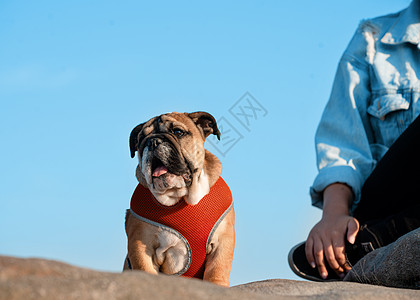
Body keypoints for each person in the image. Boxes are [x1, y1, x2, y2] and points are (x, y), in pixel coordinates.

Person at [288, 0, 420, 282]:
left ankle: (379, 238)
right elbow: (342, 144)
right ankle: (368, 240)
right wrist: (334, 215)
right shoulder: (373, 39)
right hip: (388, 202)